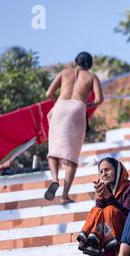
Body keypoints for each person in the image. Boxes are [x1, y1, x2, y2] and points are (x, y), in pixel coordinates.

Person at [44, 51, 104, 204]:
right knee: (71, 156)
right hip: (78, 109)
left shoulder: (65, 72)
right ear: (89, 65)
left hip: (60, 106)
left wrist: (58, 102)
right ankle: (64, 196)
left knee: (54, 150)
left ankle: (54, 178)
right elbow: (99, 99)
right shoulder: (92, 77)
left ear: (75, 61)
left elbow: (48, 93)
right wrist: (86, 105)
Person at [77, 158, 130, 256]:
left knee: (110, 210)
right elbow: (99, 217)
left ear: (118, 171)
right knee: (96, 211)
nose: (104, 174)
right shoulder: (104, 189)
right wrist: (100, 196)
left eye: (107, 170)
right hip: (111, 239)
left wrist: (108, 196)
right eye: (101, 171)